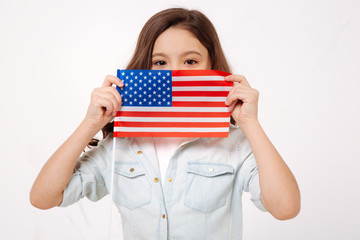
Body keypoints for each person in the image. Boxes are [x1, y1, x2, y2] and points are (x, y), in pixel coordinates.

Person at [30, 7, 300, 239]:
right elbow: (43, 198)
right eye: (160, 62)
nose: (174, 73)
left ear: (211, 66)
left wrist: (250, 123)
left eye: (191, 61)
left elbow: (285, 208)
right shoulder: (120, 147)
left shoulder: (235, 144)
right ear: (145, 69)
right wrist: (90, 123)